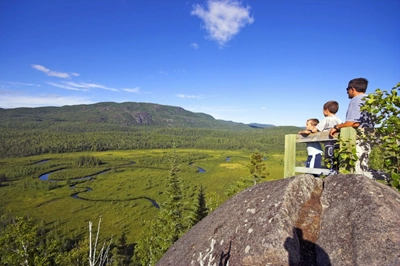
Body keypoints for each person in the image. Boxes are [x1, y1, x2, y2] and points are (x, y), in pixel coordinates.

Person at [329, 77, 374, 177]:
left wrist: (337, 127)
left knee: (355, 170)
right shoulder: (369, 100)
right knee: (363, 167)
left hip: (357, 140)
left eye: (347, 89)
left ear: (352, 89)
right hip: (367, 138)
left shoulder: (356, 100)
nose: (347, 92)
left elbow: (353, 123)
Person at [299, 101, 342, 171]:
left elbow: (315, 130)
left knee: (329, 158)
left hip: (329, 142)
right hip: (338, 142)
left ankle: (329, 174)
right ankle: (335, 172)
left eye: (323, 110)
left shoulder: (326, 119)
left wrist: (306, 131)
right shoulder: (338, 119)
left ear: (326, 110)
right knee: (336, 159)